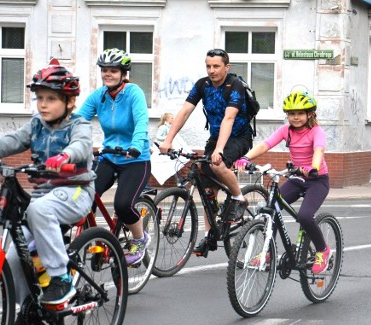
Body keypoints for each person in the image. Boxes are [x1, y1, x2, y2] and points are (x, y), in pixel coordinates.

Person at [0, 60, 95, 305]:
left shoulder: (78, 125)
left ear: (69, 102)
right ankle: (29, 310)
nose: (43, 104)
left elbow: (81, 145)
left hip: (75, 191)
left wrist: (64, 156)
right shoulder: (36, 125)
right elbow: (8, 142)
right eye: (40, 98)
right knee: (15, 255)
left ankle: (61, 279)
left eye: (51, 99)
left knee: (39, 210)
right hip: (44, 195)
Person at [158, 48, 252, 257]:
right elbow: (184, 112)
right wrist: (168, 139)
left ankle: (239, 198)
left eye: (216, 66)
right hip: (216, 138)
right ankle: (210, 236)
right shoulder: (203, 84)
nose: (211, 70)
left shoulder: (234, 85)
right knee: (206, 187)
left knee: (217, 164)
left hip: (238, 137)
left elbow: (229, 118)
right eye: (208, 66)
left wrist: (219, 149)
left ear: (227, 67)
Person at [234, 91, 331, 273]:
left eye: (300, 113)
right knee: (271, 207)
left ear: (310, 114)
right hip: (295, 178)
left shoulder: (316, 131)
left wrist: (313, 167)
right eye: (292, 113)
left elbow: (318, 150)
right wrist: (245, 158)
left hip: (317, 180)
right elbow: (266, 145)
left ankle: (322, 250)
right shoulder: (285, 131)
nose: (296, 117)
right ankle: (267, 251)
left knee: (304, 216)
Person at [79, 48, 152, 266]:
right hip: (109, 157)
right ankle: (93, 240)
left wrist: (137, 145)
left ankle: (140, 239)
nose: (107, 74)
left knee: (122, 204)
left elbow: (141, 121)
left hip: (135, 159)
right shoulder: (98, 96)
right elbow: (78, 120)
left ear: (122, 73)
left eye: (112, 71)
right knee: (84, 197)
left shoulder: (133, 93)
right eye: (104, 71)